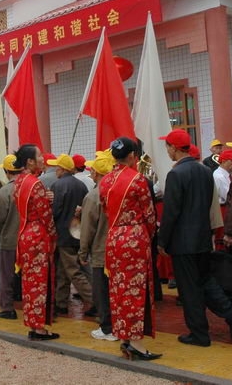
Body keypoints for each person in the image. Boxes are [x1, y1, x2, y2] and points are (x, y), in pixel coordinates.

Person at [157, 129, 232, 348]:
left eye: (167, 146)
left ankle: (199, 333)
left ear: (174, 148)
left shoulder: (176, 174)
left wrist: (162, 241)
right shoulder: (205, 171)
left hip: (182, 242)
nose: (166, 150)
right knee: (205, 281)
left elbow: (171, 212)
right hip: (203, 238)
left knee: (189, 289)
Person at [100, 137, 160, 360]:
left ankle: (124, 335)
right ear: (133, 156)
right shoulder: (138, 180)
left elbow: (106, 210)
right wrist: (146, 236)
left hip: (114, 236)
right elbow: (150, 216)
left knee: (118, 290)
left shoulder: (105, 181)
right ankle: (135, 342)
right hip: (134, 237)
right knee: (135, 290)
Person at [14, 144, 59, 341]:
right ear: (30, 161)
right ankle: (40, 327)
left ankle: (32, 322)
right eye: (39, 155)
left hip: (24, 233)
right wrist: (53, 236)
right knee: (39, 282)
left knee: (29, 281)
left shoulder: (20, 181)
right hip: (38, 235)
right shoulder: (35, 183)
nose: (42, 158)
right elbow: (45, 216)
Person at [48, 153, 93, 315]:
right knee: (63, 270)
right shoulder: (81, 185)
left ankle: (95, 300)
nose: (55, 171)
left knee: (73, 271)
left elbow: (55, 211)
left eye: (56, 168)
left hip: (63, 235)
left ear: (62, 169)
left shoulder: (58, 186)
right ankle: (60, 303)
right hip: (76, 233)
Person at [79, 151, 117, 341]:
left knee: (101, 291)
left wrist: (83, 251)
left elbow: (87, 228)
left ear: (95, 173)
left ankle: (107, 327)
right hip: (119, 248)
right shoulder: (118, 189)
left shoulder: (94, 196)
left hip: (101, 251)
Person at [0, 155, 22, 320]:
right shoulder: (30, 186)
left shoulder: (4, 191)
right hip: (29, 241)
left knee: (6, 276)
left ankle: (7, 308)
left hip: (9, 240)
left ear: (6, 171)